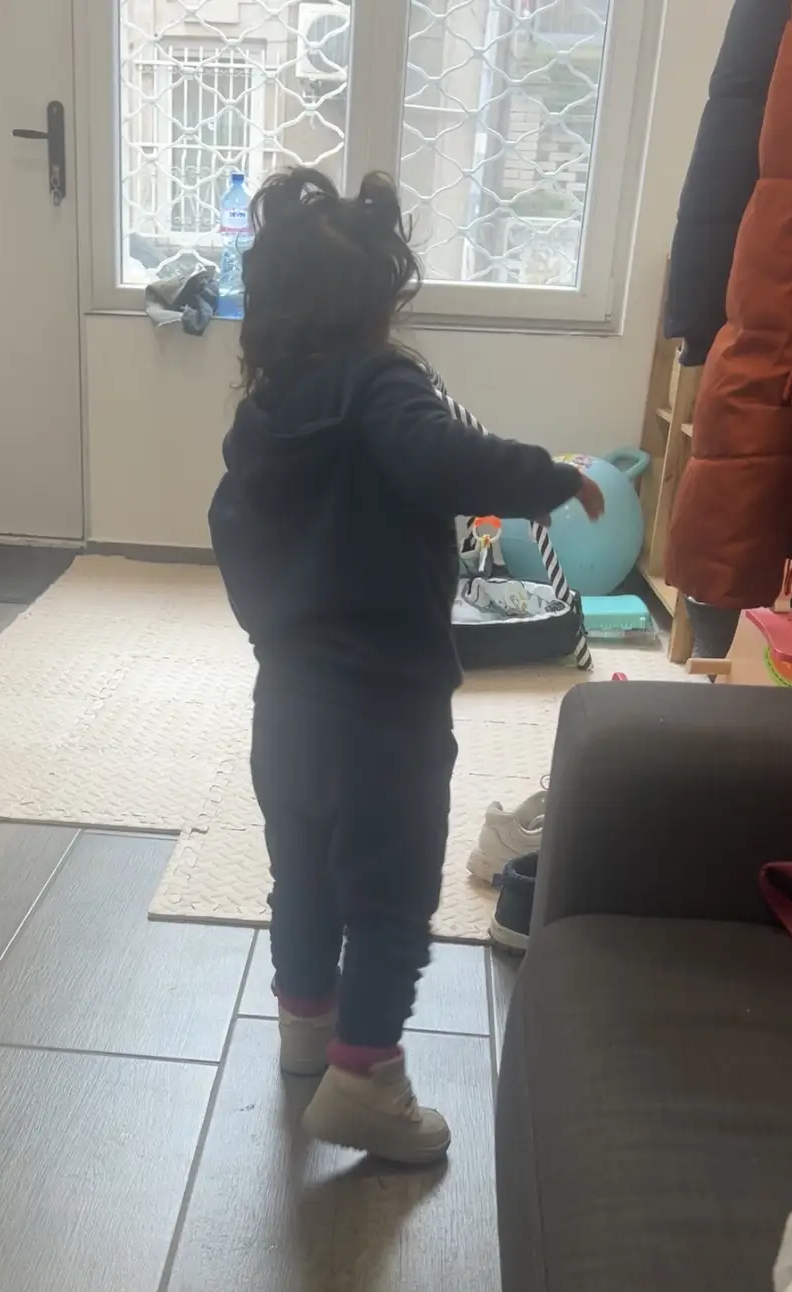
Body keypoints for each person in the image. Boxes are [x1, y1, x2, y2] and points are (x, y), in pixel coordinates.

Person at [209, 167, 604, 1165]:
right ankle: (366, 1078)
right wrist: (552, 477)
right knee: (390, 895)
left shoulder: (262, 418)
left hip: (286, 700)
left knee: (301, 871)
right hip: (386, 710)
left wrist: (275, 630)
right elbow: (444, 460)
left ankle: (305, 1027)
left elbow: (230, 529)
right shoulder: (384, 386)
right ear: (376, 307)